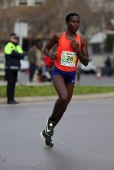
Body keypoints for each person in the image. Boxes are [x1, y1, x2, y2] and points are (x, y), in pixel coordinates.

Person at [40, 13, 89, 147]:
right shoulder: (58, 36)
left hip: (71, 75)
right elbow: (46, 48)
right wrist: (51, 55)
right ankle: (50, 121)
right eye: (73, 22)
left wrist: (78, 51)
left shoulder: (82, 40)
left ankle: (48, 131)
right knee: (63, 97)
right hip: (58, 73)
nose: (76, 24)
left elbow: (86, 62)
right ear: (67, 23)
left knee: (65, 105)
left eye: (78, 22)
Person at [4, 33, 25, 104]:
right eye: (15, 38)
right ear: (11, 38)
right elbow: (10, 54)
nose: (16, 40)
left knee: (13, 84)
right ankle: (9, 99)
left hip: (16, 67)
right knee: (10, 84)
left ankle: (12, 98)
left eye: (17, 38)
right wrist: (17, 54)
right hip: (10, 67)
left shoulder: (17, 46)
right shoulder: (8, 45)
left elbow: (22, 55)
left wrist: (16, 54)